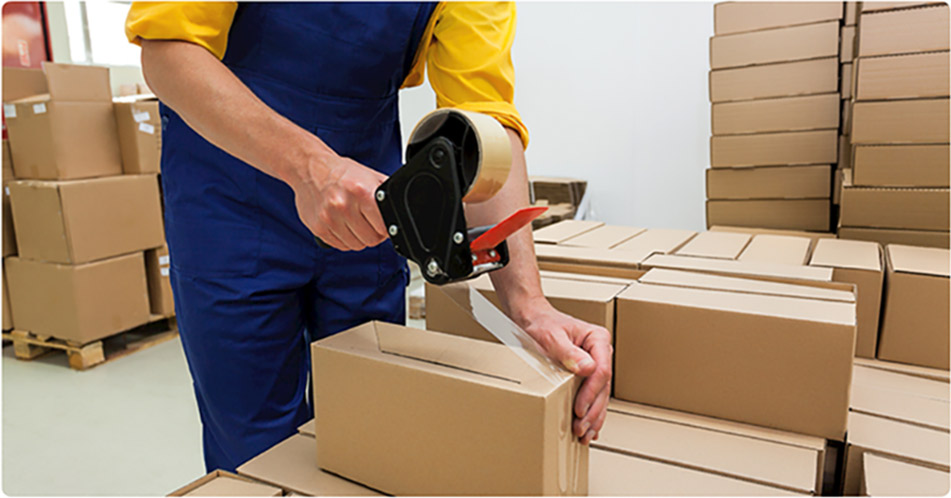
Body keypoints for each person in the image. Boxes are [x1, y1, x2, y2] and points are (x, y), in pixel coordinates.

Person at [125, 2, 612, 472]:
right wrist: (309, 167)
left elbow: (483, 125)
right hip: (228, 199)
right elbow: (168, 50)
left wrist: (529, 305)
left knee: (370, 426)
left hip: (368, 207)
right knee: (254, 448)